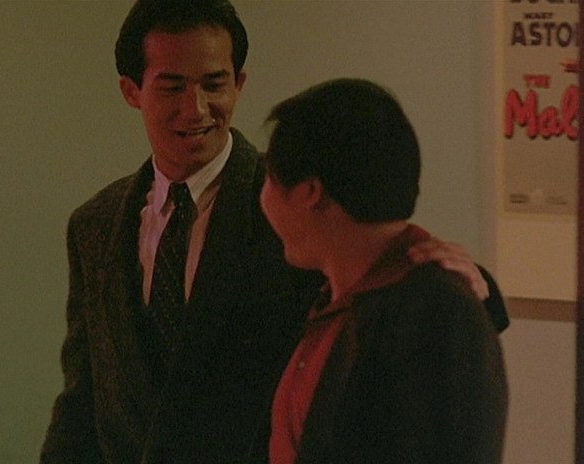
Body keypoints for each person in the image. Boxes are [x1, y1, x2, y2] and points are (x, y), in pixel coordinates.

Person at [40, 1, 509, 462]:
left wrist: (475, 284)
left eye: (214, 84)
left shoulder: (296, 202)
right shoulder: (95, 224)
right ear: (131, 90)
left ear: (239, 84)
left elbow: (386, 268)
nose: (196, 108)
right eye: (172, 87)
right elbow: (83, 399)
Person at [258, 78, 507, 464]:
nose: (263, 199)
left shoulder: (431, 311)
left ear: (310, 192)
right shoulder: (340, 291)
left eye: (270, 180)